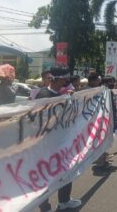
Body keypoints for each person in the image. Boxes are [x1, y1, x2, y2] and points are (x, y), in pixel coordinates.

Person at [36, 65, 81, 212]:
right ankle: (44, 207)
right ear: (58, 79)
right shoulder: (44, 96)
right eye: (65, 78)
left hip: (60, 144)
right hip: (47, 146)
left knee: (67, 172)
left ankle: (64, 201)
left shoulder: (57, 95)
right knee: (46, 177)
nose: (67, 81)